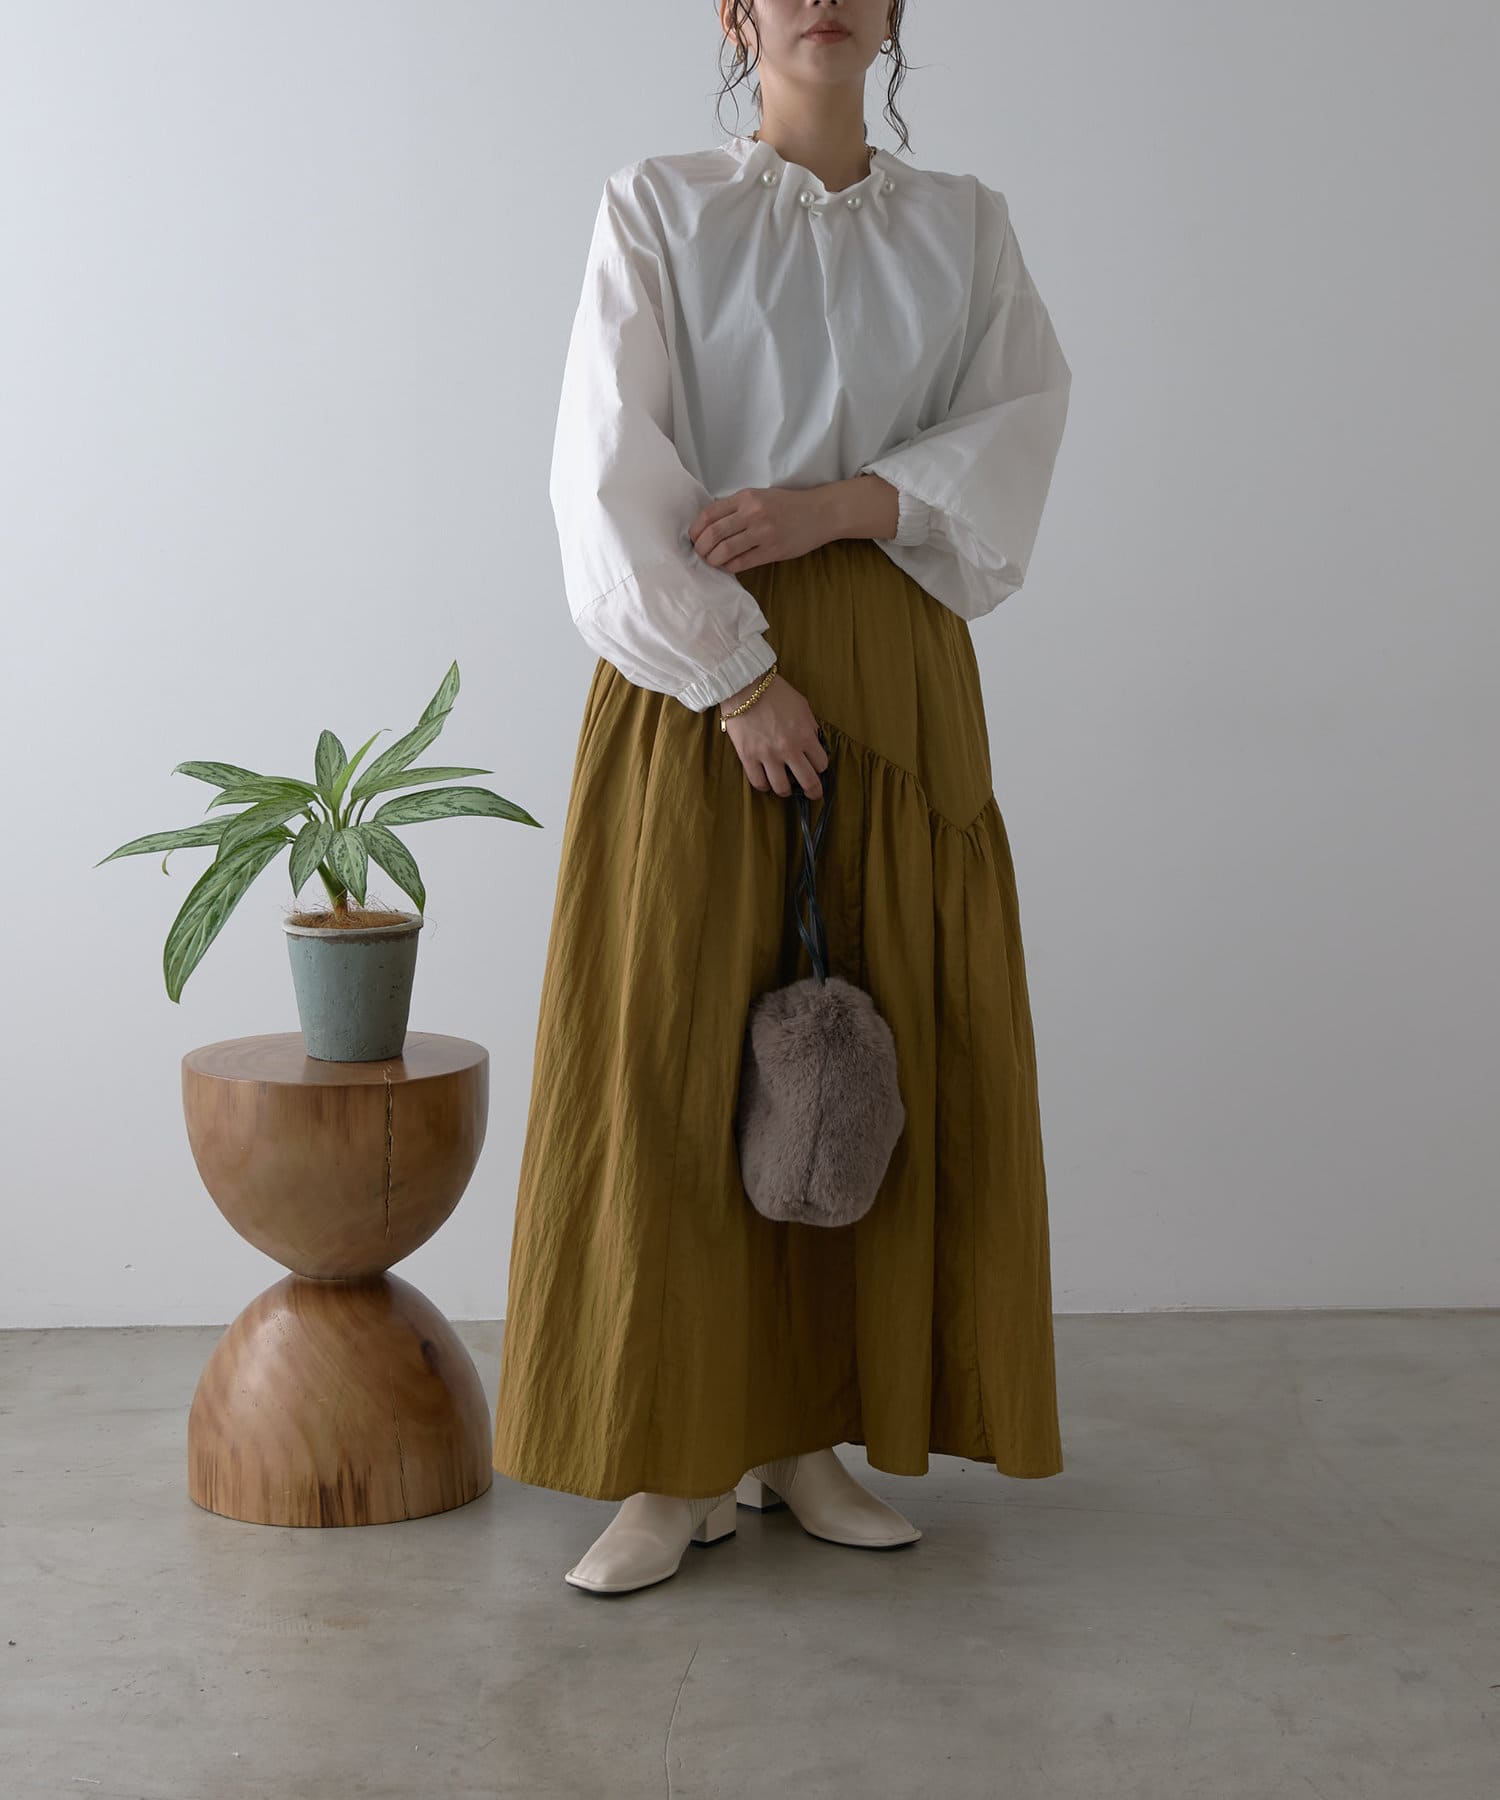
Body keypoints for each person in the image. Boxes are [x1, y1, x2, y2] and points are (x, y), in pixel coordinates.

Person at [491, 0, 1073, 1596]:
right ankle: (670, 1459)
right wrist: (737, 678)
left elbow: (1016, 431)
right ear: (736, 14)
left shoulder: (965, 226)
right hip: (698, 677)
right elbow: (605, 468)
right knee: (674, 1048)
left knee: (864, 1051)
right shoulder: (658, 205)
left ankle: (805, 1434)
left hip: (893, 672)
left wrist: (840, 505)